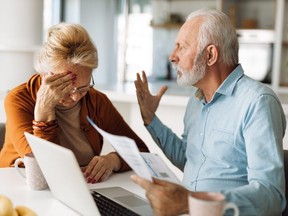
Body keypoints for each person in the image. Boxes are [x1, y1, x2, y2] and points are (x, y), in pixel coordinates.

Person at [132, 8, 286, 216]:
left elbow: (271, 196)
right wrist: (151, 119)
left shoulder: (258, 102)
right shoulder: (196, 100)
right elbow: (191, 160)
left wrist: (192, 202)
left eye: (182, 47)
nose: (172, 56)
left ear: (211, 54)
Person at [0, 23, 149, 183]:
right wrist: (44, 111)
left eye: (83, 87)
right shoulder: (18, 99)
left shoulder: (96, 101)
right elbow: (44, 169)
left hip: (79, 189)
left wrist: (113, 160)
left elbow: (141, 152)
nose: (75, 97)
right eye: (65, 87)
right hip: (21, 190)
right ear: (44, 75)